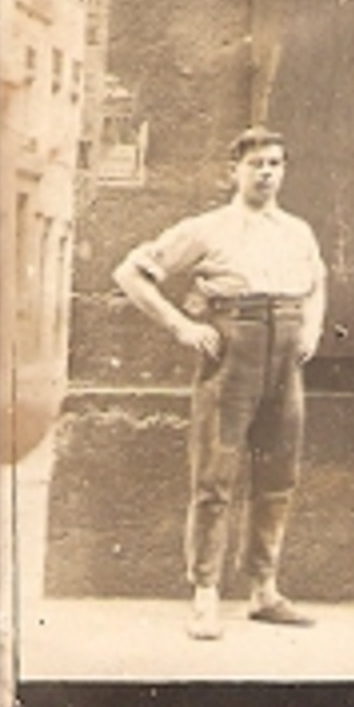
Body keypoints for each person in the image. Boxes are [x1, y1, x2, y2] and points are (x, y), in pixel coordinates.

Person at [111, 126, 326, 640]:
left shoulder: (298, 230)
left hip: (287, 350)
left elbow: (318, 283)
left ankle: (264, 590)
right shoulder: (206, 228)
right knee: (215, 476)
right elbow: (130, 274)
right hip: (233, 348)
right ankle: (205, 593)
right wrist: (182, 326)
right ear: (234, 171)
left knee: (278, 476)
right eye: (256, 164)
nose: (267, 173)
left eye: (275, 163)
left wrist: (313, 327)